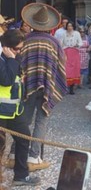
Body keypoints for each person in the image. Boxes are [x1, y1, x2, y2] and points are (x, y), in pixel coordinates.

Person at [7, 3, 68, 171]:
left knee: (23, 121)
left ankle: (14, 155)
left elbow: (18, 60)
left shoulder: (24, 40)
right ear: (48, 25)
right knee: (41, 121)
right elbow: (62, 63)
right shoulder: (54, 42)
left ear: (32, 23)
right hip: (47, 86)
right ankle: (34, 157)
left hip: (27, 86)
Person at [0, 29, 41, 186]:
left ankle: (20, 176)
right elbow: (6, 80)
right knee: (0, 147)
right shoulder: (5, 59)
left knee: (24, 138)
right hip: (1, 112)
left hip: (13, 110)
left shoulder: (14, 58)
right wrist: (12, 59)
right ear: (7, 47)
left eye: (21, 49)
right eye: (17, 49)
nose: (19, 52)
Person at [61, 21, 82, 95]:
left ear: (73, 27)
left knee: (74, 70)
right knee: (66, 70)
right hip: (66, 52)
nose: (69, 27)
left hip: (74, 52)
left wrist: (76, 45)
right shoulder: (64, 34)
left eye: (71, 26)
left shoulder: (77, 33)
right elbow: (61, 43)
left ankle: (71, 89)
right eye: (68, 26)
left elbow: (80, 43)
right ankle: (65, 87)